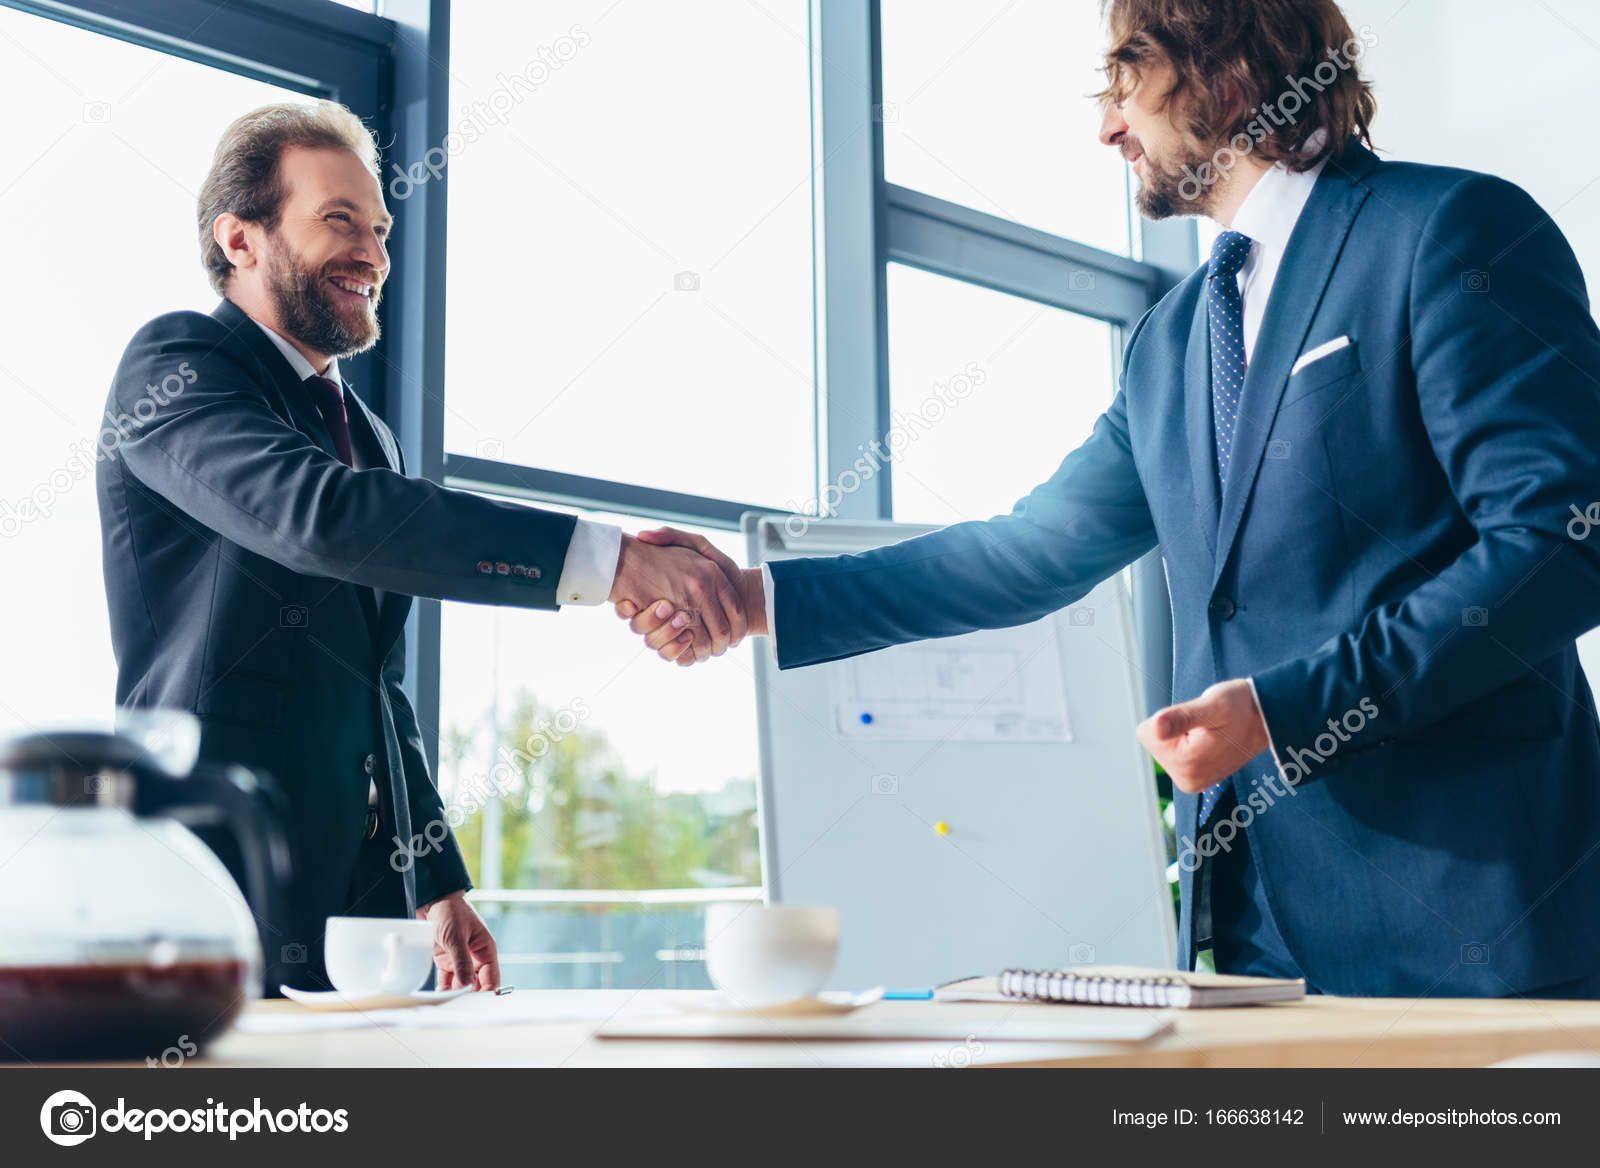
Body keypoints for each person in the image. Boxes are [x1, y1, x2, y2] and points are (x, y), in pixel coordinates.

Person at [621, 0, 1600, 998]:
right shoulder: (1171, 342)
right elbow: (1029, 552)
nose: (1107, 128)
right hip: (1257, 946)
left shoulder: (1446, 230)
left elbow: (1560, 541)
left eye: (1124, 83)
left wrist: (1288, 708)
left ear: (1224, 70)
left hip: (1474, 924)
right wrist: (751, 601)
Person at [97, 102, 745, 995]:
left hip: (357, 907)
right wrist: (615, 561)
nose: (373, 252)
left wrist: (433, 881)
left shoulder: (370, 433)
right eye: (338, 221)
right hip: (209, 875)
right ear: (239, 239)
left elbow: (378, 690)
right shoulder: (178, 365)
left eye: (380, 229)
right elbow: (316, 517)